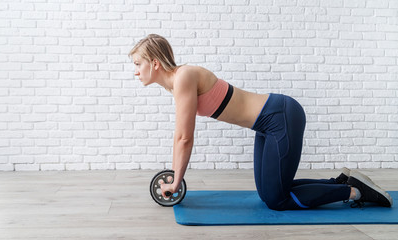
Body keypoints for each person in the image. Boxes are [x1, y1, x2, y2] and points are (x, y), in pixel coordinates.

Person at [129, 34, 393, 210]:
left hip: (280, 117)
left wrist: (176, 182)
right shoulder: (177, 84)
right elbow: (180, 136)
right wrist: (176, 178)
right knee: (271, 190)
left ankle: (355, 193)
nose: (136, 70)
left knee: (275, 199)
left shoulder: (184, 76)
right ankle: (341, 181)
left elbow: (184, 137)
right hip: (268, 125)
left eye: (138, 63)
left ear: (155, 63)